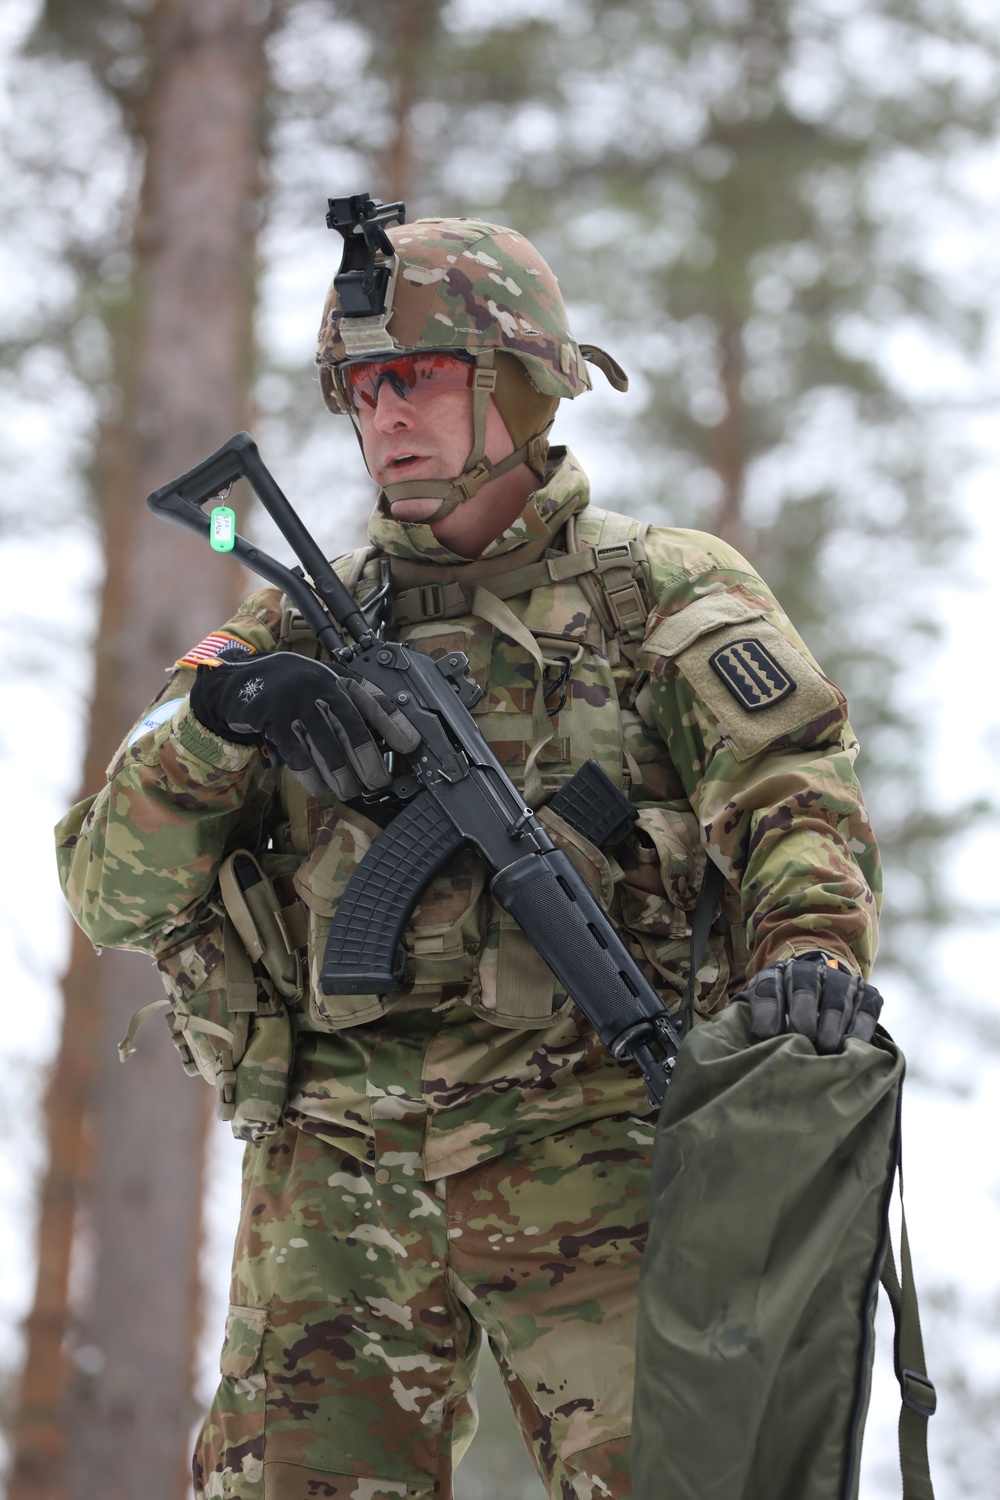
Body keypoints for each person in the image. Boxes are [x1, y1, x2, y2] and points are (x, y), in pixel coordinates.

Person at [56, 209, 883, 1500]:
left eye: (423, 377)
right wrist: (228, 722)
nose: (386, 416)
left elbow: (791, 798)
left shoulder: (659, 595)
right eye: (364, 387)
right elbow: (107, 887)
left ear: (517, 383)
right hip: (337, 1166)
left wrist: (813, 953)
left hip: (595, 1141)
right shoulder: (282, 628)